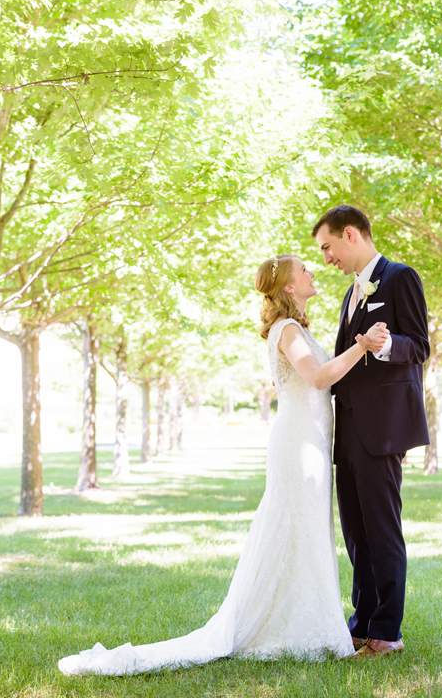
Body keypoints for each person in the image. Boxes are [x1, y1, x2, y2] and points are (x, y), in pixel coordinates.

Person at [59, 256, 373, 675]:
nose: (313, 273)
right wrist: (362, 345)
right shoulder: (289, 330)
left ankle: (304, 623)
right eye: (305, 270)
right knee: (294, 525)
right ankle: (288, 627)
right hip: (297, 443)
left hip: (311, 441)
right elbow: (318, 379)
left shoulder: (296, 327)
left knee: (307, 529)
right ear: (289, 286)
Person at [311, 204, 431, 660]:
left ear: (350, 235)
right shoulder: (349, 294)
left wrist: (386, 346)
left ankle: (388, 631)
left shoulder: (400, 278)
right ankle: (361, 623)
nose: (326, 258)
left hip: (383, 429)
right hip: (350, 430)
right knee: (357, 531)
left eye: (327, 247)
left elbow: (419, 346)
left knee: (382, 530)